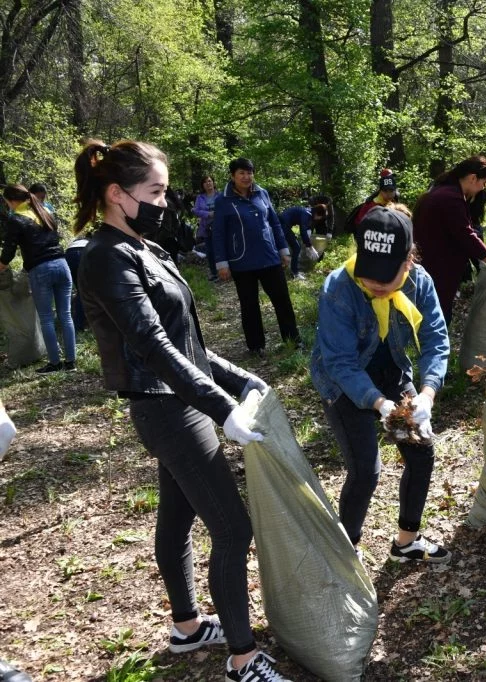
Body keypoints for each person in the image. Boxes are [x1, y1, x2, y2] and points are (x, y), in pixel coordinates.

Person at [73, 139, 290, 682]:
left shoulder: (147, 248)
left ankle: (188, 628)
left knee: (177, 518)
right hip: (167, 409)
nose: (165, 203)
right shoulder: (104, 257)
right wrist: (221, 408)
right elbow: (152, 346)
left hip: (182, 399)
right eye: (156, 192)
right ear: (118, 195)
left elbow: (187, 341)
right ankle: (243, 659)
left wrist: (241, 380)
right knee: (233, 531)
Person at [310, 204, 452, 564]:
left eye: (385, 277)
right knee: (365, 471)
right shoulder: (339, 287)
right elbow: (339, 362)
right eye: (368, 274)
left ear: (408, 261)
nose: (373, 283)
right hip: (344, 385)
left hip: (392, 373)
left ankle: (406, 542)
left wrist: (427, 394)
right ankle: (346, 551)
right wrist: (380, 404)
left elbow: (435, 338)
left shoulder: (420, 282)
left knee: (421, 454)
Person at [212, 158, 301, 356]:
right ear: (233, 176)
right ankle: (256, 346)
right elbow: (218, 233)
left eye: (249, 173)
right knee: (249, 304)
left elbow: (275, 223)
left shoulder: (262, 193)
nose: (246, 177)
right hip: (241, 261)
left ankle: (293, 341)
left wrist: (283, 250)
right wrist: (221, 262)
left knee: (282, 300)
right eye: (242, 173)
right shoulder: (223, 200)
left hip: (269, 257)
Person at [412, 155, 486, 323]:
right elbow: (466, 235)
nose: (483, 188)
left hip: (432, 264)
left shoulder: (443, 190)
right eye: (484, 183)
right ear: (473, 178)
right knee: (437, 316)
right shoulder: (451, 198)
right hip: (438, 267)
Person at [0, 184, 77, 373]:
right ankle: (71, 363)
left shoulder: (16, 219)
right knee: (66, 315)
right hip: (62, 264)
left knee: (46, 319)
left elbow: (8, 253)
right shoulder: (43, 211)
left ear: (10, 201)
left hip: (41, 270)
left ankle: (54, 363)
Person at [343, 168, 399, 235]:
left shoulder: (394, 194)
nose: (389, 193)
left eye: (391, 191)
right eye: (386, 191)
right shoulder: (374, 203)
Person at [278, 203, 325, 280]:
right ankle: (294, 273)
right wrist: (310, 247)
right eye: (320, 217)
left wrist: (308, 245)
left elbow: (305, 228)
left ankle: (293, 270)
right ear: (317, 213)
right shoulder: (307, 214)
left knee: (296, 247)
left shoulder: (308, 212)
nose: (319, 219)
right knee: (296, 247)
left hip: (284, 225)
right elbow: (303, 231)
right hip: (282, 226)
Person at [192, 174, 221, 281]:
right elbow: (196, 210)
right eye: (205, 182)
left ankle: (226, 271)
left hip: (220, 226)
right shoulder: (200, 197)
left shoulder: (220, 195)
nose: (208, 183)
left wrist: (217, 213)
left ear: (213, 182)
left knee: (221, 248)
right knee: (210, 251)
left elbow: (225, 208)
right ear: (203, 185)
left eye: (210, 181)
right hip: (206, 228)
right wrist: (208, 214)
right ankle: (214, 273)